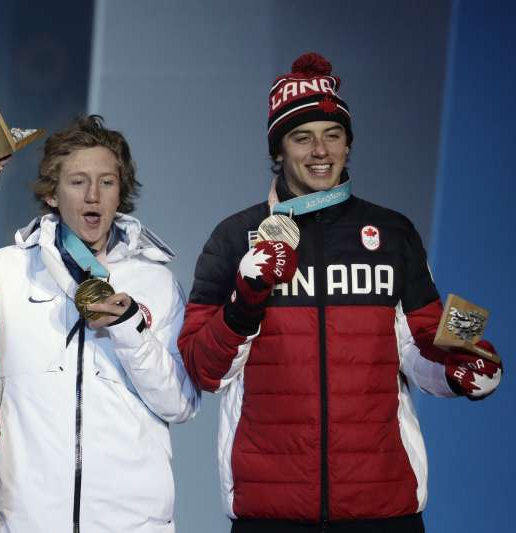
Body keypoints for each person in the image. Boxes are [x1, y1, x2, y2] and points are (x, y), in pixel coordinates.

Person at [178, 52, 503, 532]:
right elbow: (205, 371)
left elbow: (418, 346)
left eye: (333, 135)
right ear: (279, 150)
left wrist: (462, 366)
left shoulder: (393, 233)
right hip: (272, 511)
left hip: (383, 507)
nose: (320, 151)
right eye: (301, 138)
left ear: (349, 145)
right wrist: (244, 302)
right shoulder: (234, 237)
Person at [0, 115, 200, 532]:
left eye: (107, 182)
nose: (93, 195)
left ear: (121, 192)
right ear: (51, 194)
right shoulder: (6, 273)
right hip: (28, 521)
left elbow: (180, 403)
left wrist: (131, 329)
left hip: (133, 525)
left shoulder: (155, 282)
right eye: (78, 181)